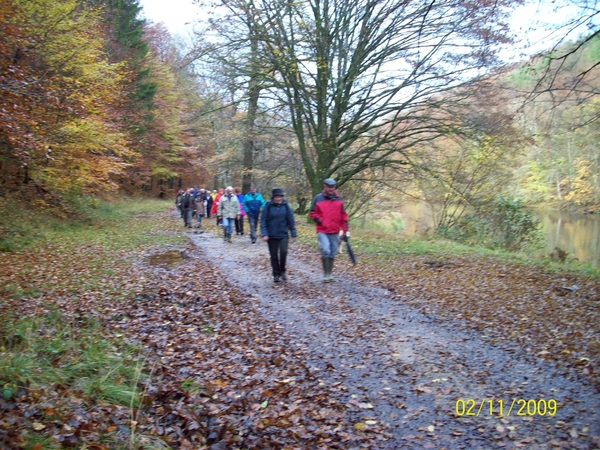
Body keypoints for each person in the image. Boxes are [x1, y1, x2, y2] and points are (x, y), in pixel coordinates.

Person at [309, 178, 348, 282]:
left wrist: (345, 230)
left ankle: (329, 274)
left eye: (333, 187)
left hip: (335, 230)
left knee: (333, 252)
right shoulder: (318, 198)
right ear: (325, 187)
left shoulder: (339, 199)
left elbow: (343, 215)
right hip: (322, 230)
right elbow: (312, 213)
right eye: (329, 187)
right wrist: (319, 220)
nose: (331, 189)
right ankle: (326, 274)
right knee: (325, 249)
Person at [261, 188, 297, 282]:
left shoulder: (286, 206)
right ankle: (276, 274)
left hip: (283, 233)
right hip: (271, 234)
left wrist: (293, 232)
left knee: (283, 252)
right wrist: (264, 233)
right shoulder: (268, 206)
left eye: (280, 197)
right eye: (277, 197)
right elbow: (263, 220)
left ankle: (282, 270)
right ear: (273, 197)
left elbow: (290, 220)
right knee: (274, 255)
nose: (278, 199)